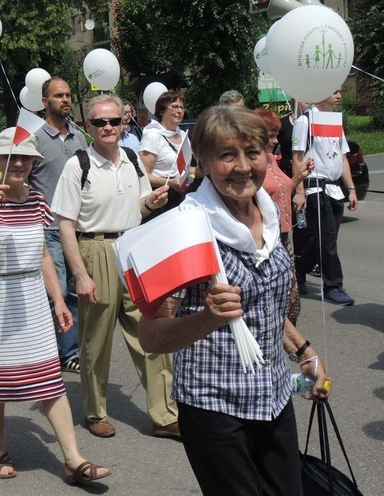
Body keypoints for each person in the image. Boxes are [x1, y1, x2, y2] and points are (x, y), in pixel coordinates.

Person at [139, 105, 331, 496]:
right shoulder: (183, 229)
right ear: (205, 164)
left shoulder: (269, 213)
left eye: (253, 152)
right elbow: (151, 337)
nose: (243, 166)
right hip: (214, 407)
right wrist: (207, 318)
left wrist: (304, 351)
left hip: (274, 397)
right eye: (227, 155)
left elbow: (265, 304)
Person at [0, 128, 110, 484]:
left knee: (49, 379)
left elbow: (42, 255)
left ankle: (72, 458)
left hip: (31, 299)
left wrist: (57, 300)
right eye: (11, 157)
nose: (19, 163)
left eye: (26, 158)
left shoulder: (37, 201)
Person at [52, 95, 179, 439]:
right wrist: (79, 273)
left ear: (123, 124)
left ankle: (165, 415)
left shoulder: (133, 158)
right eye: (99, 122)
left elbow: (140, 206)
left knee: (150, 332)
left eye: (114, 121)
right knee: (96, 338)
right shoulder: (78, 165)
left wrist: (152, 202)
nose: (108, 127)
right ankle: (95, 412)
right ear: (88, 126)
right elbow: (65, 224)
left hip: (133, 248)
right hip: (96, 249)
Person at [30, 76, 87, 374]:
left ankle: (71, 348)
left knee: (77, 291)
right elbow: (22, 183)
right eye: (58, 96)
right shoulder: (35, 140)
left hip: (77, 227)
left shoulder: (79, 137)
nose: (65, 100)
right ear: (45, 102)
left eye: (67, 95)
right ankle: (62, 351)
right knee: (58, 291)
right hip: (49, 229)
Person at [292, 88, 357, 305]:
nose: (339, 95)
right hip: (315, 189)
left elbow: (343, 157)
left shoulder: (334, 121)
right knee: (328, 241)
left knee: (323, 240)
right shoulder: (305, 121)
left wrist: (351, 188)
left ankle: (299, 269)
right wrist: (299, 191)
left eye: (340, 91)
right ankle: (333, 286)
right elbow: (297, 157)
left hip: (334, 189)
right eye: (334, 91)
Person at [255, 108, 313, 325]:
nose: (275, 140)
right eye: (270, 135)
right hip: (266, 238)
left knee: (292, 301)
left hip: (283, 235)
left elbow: (282, 189)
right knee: (276, 300)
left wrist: (299, 176)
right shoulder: (251, 163)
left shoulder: (271, 158)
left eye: (276, 135)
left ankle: (281, 345)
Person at [138, 90, 189, 210]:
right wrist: (170, 183)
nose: (180, 111)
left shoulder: (182, 134)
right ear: (162, 111)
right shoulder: (152, 136)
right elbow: (142, 174)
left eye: (182, 107)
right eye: (174, 107)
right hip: (160, 198)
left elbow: (183, 167)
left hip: (181, 196)